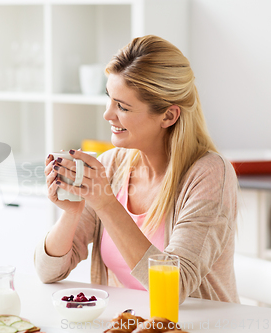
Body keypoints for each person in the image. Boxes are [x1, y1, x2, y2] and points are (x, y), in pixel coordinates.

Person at [35, 35, 239, 304]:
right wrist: (72, 213)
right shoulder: (111, 165)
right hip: (129, 324)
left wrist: (106, 204)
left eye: (123, 106)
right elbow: (48, 272)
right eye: (109, 99)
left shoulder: (210, 174)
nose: (108, 114)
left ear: (168, 116)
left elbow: (175, 286)